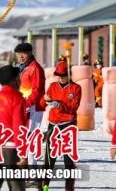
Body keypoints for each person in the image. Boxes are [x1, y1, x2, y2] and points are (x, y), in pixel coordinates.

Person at [39, 60, 81, 191]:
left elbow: (74, 107)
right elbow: (42, 103)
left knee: (68, 160)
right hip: (53, 125)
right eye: (59, 75)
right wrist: (44, 100)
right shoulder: (52, 86)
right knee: (49, 158)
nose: (61, 78)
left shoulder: (76, 88)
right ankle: (44, 186)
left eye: (63, 75)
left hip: (68, 125)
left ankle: (69, 188)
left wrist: (59, 104)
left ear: (69, 74)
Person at [14, 42, 45, 166]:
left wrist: (27, 103)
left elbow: (37, 90)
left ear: (30, 53)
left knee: (31, 136)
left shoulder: (35, 68)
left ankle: (33, 170)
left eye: (24, 54)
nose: (21, 56)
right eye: (19, 54)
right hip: (25, 106)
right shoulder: (24, 68)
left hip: (34, 106)